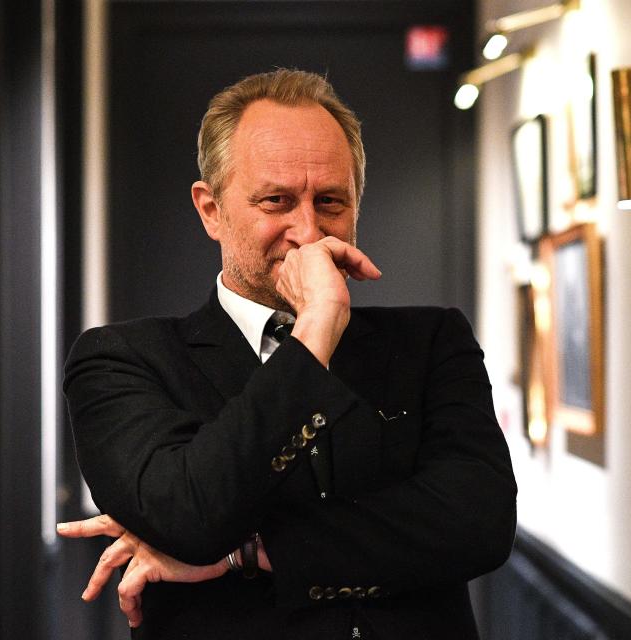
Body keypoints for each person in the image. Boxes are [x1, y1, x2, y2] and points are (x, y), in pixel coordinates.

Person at [57, 69, 516, 639]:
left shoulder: (432, 342)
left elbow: (479, 525)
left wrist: (247, 552)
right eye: (276, 201)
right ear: (211, 210)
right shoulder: (122, 359)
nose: (307, 230)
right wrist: (316, 329)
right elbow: (189, 517)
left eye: (330, 201)